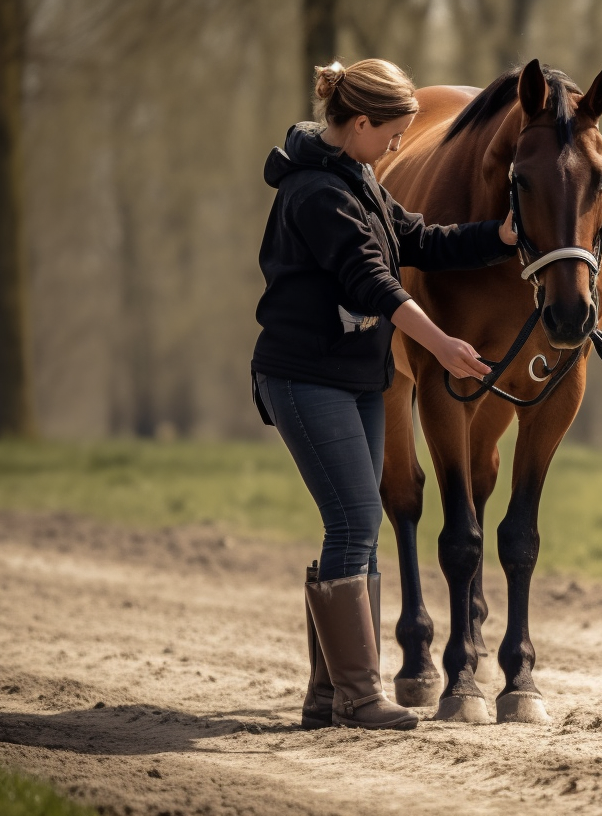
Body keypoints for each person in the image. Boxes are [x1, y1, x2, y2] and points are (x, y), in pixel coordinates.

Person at [251, 58, 514, 731]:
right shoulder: (317, 194)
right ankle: (360, 695)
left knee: (356, 529)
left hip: (353, 374)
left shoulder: (358, 179)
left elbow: (416, 238)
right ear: (359, 123)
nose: (399, 146)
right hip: (306, 378)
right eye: (393, 134)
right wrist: (444, 345)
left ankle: (329, 693)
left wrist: (500, 237)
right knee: (353, 523)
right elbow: (375, 284)